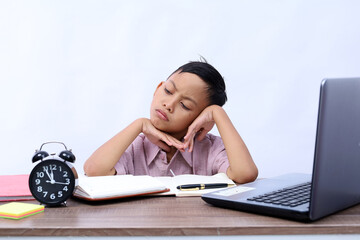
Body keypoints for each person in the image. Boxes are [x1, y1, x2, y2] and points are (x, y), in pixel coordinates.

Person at [84, 60, 258, 183]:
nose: (169, 105)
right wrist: (140, 124)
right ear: (158, 88)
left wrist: (218, 114)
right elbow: (93, 171)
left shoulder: (210, 149)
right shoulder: (135, 144)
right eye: (168, 90)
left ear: (201, 117)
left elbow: (245, 174)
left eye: (185, 105)